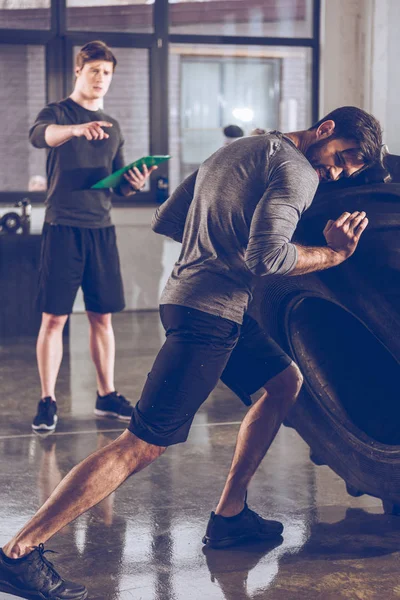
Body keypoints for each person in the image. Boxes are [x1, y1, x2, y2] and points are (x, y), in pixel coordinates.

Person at [0, 106, 382, 600]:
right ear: (325, 130)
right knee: (141, 443)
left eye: (345, 170)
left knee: (284, 381)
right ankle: (19, 551)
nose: (333, 172)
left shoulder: (241, 147)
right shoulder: (296, 170)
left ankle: (229, 515)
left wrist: (221, 243)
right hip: (209, 315)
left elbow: (169, 218)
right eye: (339, 157)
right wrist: (334, 254)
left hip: (187, 299)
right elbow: (267, 258)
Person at [29, 41, 156, 434]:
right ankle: (48, 399)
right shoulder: (58, 113)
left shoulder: (113, 126)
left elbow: (118, 185)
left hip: (101, 229)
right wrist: (76, 129)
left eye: (107, 73)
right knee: (55, 318)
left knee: (103, 317)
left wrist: (134, 183)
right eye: (95, 71)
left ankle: (106, 394)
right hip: (62, 227)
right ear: (79, 73)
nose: (101, 79)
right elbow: (40, 137)